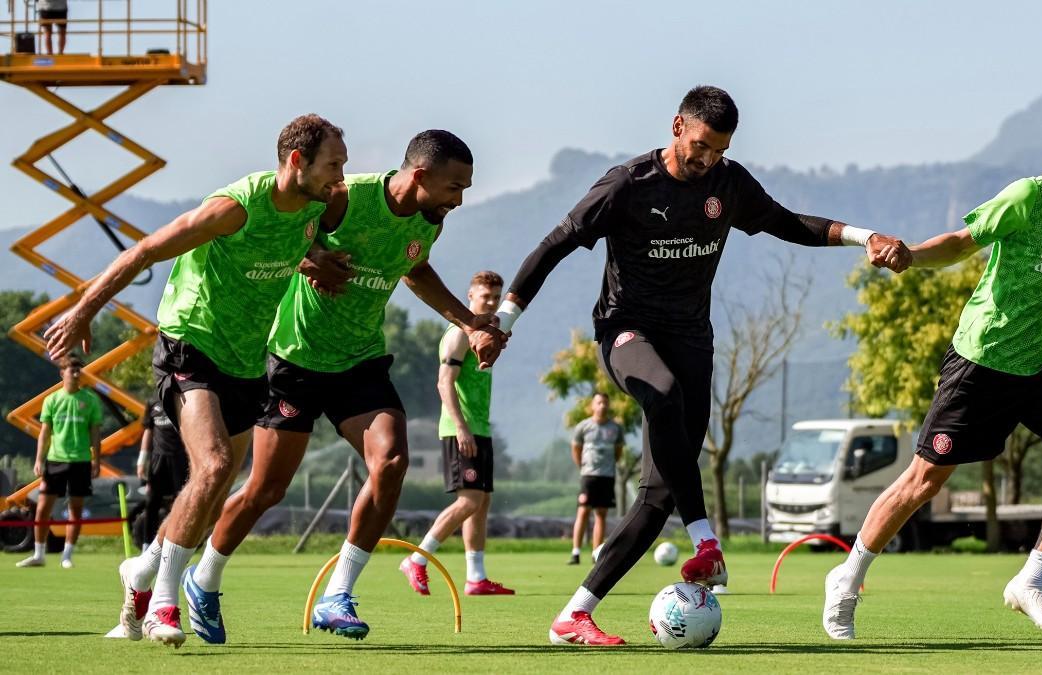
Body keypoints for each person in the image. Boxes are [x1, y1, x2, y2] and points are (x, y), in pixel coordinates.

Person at [490, 85, 910, 646]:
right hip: (627, 333)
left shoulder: (728, 184)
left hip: (694, 342)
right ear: (676, 126)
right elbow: (554, 245)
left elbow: (790, 224)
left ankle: (574, 614)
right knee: (661, 394)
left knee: (658, 494)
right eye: (701, 145)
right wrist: (503, 322)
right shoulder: (627, 184)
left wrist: (864, 238)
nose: (708, 158)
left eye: (720, 149)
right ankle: (706, 541)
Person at [822, 102, 1042, 640]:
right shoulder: (1029, 198)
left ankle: (1031, 580)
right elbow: (962, 243)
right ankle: (847, 578)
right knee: (925, 481)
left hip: (1041, 364)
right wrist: (910, 255)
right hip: (983, 359)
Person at [44, 113, 351, 647]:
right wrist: (81, 312)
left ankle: (139, 578)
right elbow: (145, 250)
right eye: (333, 165)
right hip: (192, 344)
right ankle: (165, 605)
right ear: (296, 161)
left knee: (211, 491)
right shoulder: (233, 208)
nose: (340, 177)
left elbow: (282, 251)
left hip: (246, 362)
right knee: (211, 467)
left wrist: (317, 261)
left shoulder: (312, 209)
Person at [192, 131, 505, 643]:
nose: (459, 200)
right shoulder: (344, 197)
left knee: (392, 461)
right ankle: (203, 578)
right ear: (420, 176)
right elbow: (282, 226)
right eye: (454, 187)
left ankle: (338, 594)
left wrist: (471, 323)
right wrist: (308, 255)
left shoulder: (429, 220)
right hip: (294, 359)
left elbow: (414, 270)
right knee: (266, 490)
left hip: (360, 362)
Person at [401, 271, 515, 597]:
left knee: (481, 503)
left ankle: (476, 578)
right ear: (470, 296)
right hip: (460, 430)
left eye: (496, 297)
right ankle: (417, 559)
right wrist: (462, 428)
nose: (491, 302)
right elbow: (443, 383)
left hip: (480, 428)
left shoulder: (485, 335)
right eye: (485, 297)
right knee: (469, 501)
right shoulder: (458, 334)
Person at [16, 354, 102, 569]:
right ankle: (39, 554)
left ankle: (67, 555)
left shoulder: (90, 400)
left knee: (76, 509)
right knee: (43, 507)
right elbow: (45, 433)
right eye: (71, 370)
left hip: (81, 460)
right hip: (55, 460)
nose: (75, 373)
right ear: (62, 373)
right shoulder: (52, 400)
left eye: (78, 370)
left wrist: (96, 460)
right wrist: (39, 459)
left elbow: (95, 434)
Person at [567, 392, 624, 565]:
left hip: (606, 476)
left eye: (605, 403)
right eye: (599, 403)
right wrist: (583, 467)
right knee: (583, 511)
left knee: (601, 514)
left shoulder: (615, 428)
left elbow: (618, 451)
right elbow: (576, 449)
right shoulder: (583, 426)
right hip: (588, 476)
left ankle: (596, 553)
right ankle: (575, 552)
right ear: (592, 405)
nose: (602, 406)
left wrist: (608, 465)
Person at [136, 398, 188, 552]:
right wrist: (142, 460)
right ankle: (146, 546)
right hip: (158, 460)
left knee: (181, 502)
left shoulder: (181, 399)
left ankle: (177, 545)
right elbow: (148, 430)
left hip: (180, 458)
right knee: (152, 502)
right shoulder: (152, 402)